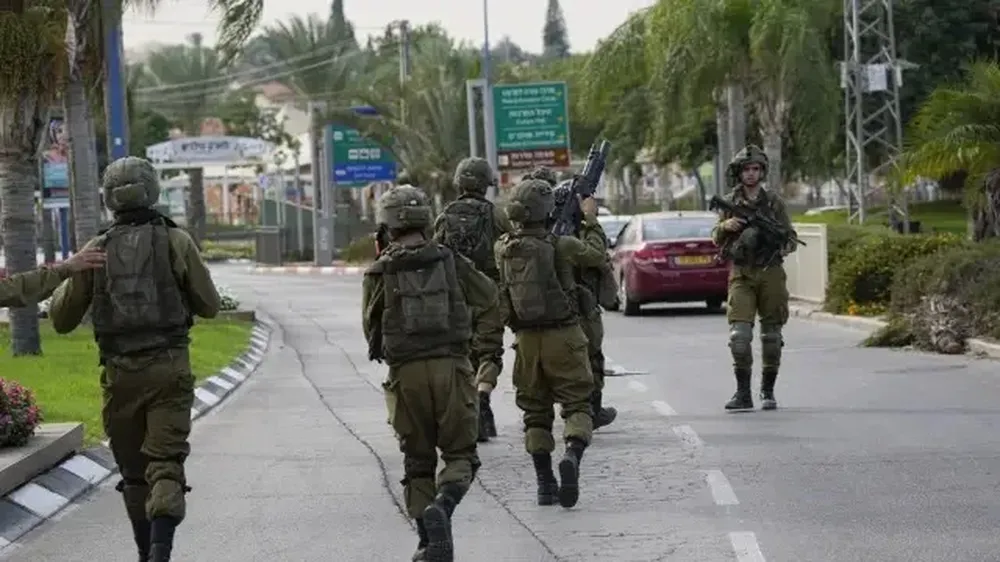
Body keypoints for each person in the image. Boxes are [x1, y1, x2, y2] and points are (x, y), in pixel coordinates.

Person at [48, 156, 221, 562]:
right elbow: (210, 305)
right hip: (169, 370)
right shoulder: (176, 241)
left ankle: (145, 553)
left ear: (110, 198)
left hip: (119, 376)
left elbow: (61, 318)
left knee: (133, 474)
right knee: (165, 462)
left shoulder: (97, 249)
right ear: (152, 190)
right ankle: (162, 552)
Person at [364, 185, 503, 562]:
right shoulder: (449, 259)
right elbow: (489, 295)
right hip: (453, 369)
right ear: (426, 218)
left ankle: (428, 542)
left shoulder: (380, 269)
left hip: (405, 376)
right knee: (461, 455)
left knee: (417, 463)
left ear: (387, 225)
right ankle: (444, 505)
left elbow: (370, 332)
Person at [494, 179, 611, 509]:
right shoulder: (563, 245)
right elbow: (598, 256)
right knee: (577, 406)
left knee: (535, 414)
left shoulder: (501, 247)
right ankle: (572, 456)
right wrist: (590, 220)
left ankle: (545, 484)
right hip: (565, 336)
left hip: (526, 342)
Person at [711, 145, 796, 412]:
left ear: (762, 171)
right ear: (739, 172)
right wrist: (726, 226)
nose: (751, 174)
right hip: (742, 274)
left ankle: (767, 391)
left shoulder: (773, 202)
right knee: (739, 336)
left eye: (756, 169)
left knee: (771, 336)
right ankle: (742, 393)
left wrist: (779, 243)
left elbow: (791, 238)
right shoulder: (730, 202)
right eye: (747, 169)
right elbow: (715, 238)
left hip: (770, 272)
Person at [433, 157, 512, 444]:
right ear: (485, 184)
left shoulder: (445, 215)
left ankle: (468, 408)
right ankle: (482, 396)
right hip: (490, 295)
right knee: (489, 354)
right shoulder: (496, 215)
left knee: (464, 354)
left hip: (457, 297)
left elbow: (435, 254)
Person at [549, 179, 618, 430]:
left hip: (558, 309)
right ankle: (588, 411)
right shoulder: (569, 237)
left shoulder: (548, 233)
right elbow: (596, 254)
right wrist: (591, 220)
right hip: (579, 306)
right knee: (591, 358)